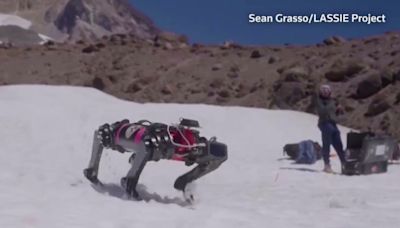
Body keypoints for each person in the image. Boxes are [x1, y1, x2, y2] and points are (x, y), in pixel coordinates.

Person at [83, 118, 228, 200]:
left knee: (146, 146)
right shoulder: (159, 141)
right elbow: (100, 135)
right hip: (142, 139)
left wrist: (186, 179)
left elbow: (220, 155)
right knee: (110, 135)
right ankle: (123, 176)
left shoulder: (193, 145)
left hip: (154, 144)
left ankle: (127, 175)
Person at [315, 85, 346, 173]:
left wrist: (338, 109)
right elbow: (323, 110)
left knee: (338, 144)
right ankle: (327, 165)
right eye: (323, 90)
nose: (325, 92)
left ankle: (344, 163)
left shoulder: (332, 101)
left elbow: (335, 113)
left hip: (333, 123)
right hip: (324, 123)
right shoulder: (319, 101)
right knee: (326, 144)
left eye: (327, 90)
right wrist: (333, 104)